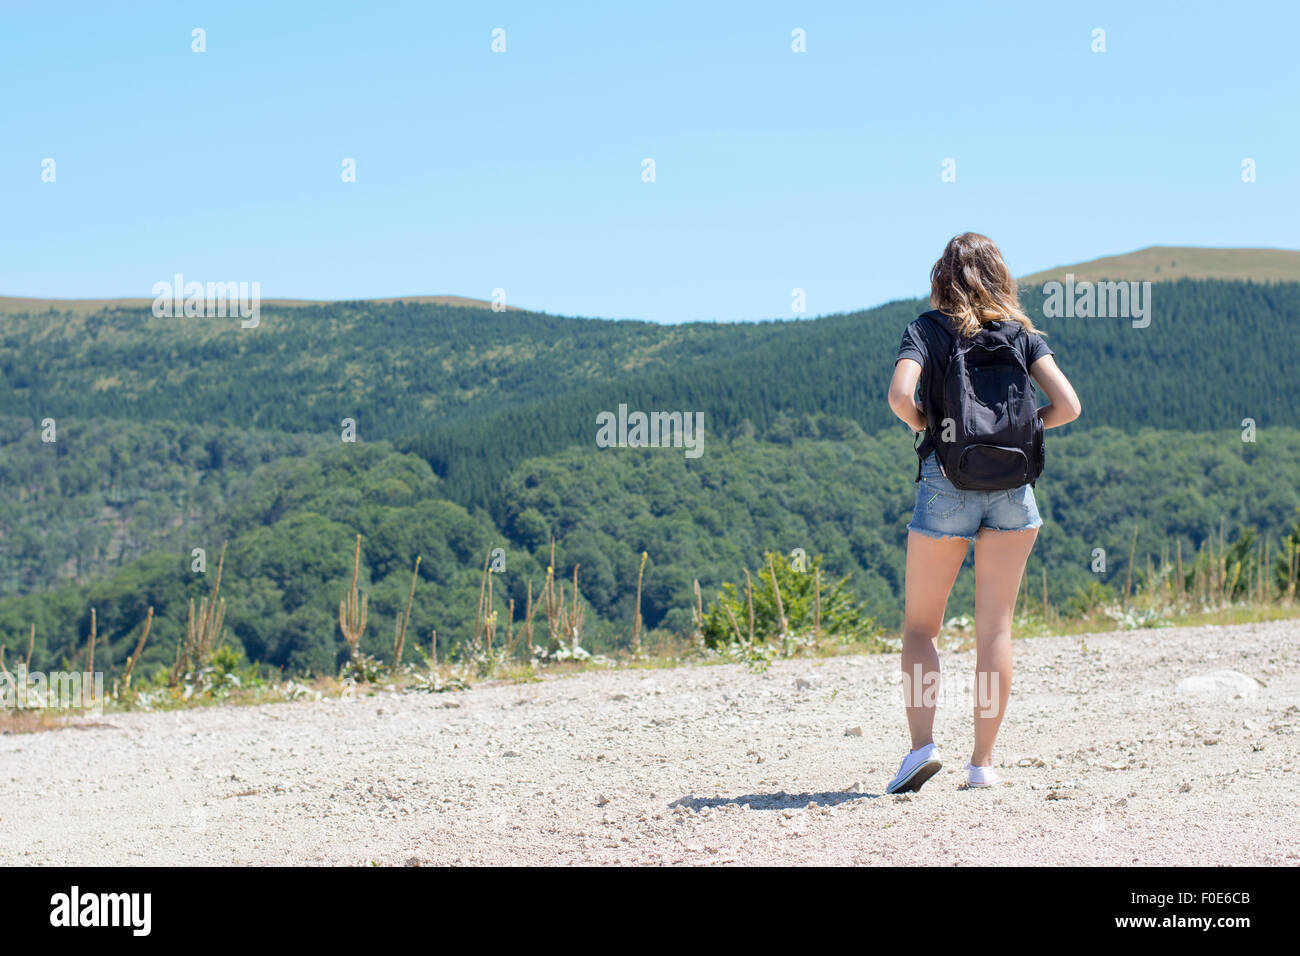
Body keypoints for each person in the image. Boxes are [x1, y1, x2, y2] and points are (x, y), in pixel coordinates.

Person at [884, 232, 1081, 793]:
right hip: (1014, 490)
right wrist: (1022, 427)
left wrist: (931, 426)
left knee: (922, 627)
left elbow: (900, 397)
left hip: (946, 481)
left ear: (941, 278)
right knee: (995, 629)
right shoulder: (1022, 335)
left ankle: (922, 749)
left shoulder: (926, 329)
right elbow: (1069, 406)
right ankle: (982, 765)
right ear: (1000, 275)